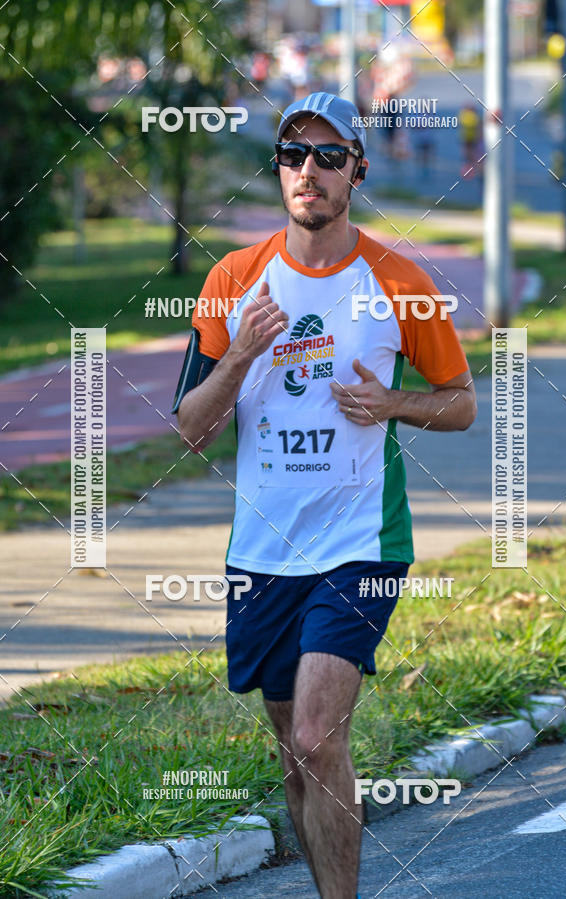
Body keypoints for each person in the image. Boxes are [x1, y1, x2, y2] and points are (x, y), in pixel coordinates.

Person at [173, 92, 477, 899]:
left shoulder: (399, 281)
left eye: (328, 156)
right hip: (263, 550)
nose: (308, 171)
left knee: (315, 735)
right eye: (293, 155)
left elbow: (462, 400)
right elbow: (190, 428)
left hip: (362, 540)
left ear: (357, 172)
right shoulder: (233, 279)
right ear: (278, 170)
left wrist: (395, 404)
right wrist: (239, 355)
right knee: (293, 747)